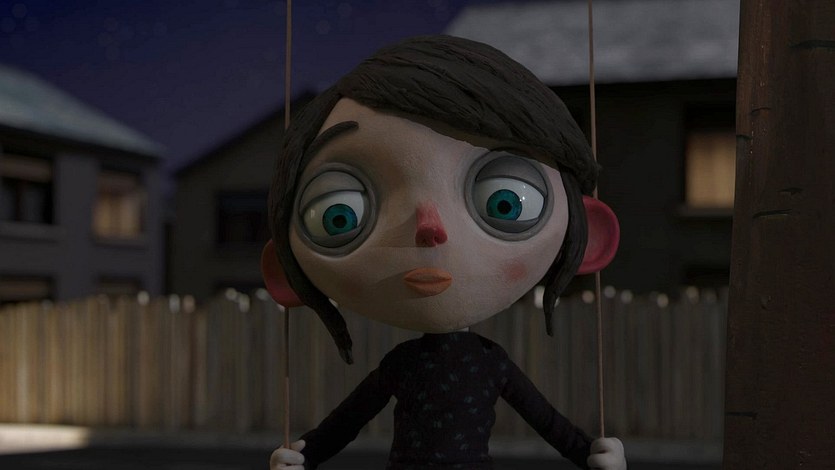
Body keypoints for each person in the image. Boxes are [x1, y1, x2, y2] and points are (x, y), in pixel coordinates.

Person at [263, 35, 625, 470]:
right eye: (340, 214)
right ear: (284, 270)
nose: (429, 227)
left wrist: (590, 454)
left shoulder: (484, 364)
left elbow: (547, 422)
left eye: (504, 202)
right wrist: (303, 457)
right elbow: (346, 422)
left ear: (589, 238)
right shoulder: (409, 365)